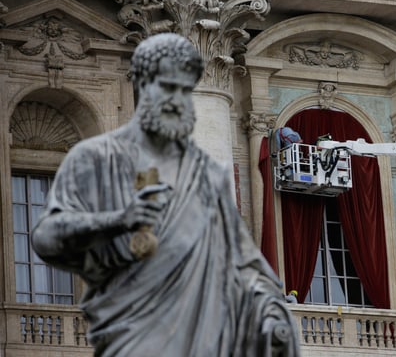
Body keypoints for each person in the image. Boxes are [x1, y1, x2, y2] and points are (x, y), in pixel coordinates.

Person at [32, 33, 299, 357]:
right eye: (168, 88)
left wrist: (272, 312)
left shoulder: (204, 173)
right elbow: (46, 238)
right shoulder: (95, 157)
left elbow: (243, 263)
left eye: (184, 89)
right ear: (144, 86)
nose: (177, 99)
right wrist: (118, 220)